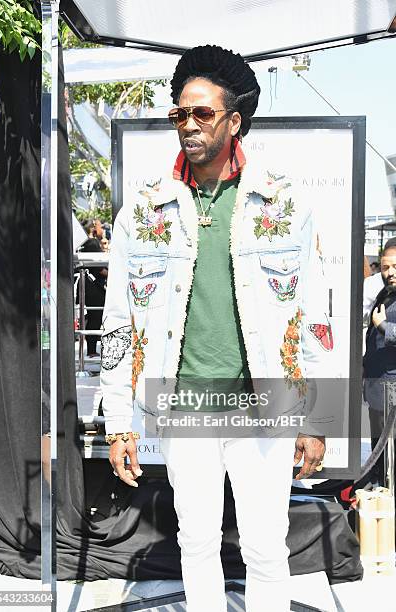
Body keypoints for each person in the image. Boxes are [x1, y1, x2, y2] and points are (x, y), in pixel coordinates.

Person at [100, 45, 328, 612]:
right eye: (180, 114)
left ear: (234, 120)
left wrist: (319, 418)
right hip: (186, 406)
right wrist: (118, 421)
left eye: (202, 113)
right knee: (196, 543)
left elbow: (315, 317)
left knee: (267, 549)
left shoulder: (284, 202)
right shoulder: (143, 212)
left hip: (265, 404)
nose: (189, 125)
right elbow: (118, 322)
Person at [363, 241, 396, 488]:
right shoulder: (384, 293)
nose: (389, 272)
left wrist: (384, 327)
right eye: (385, 267)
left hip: (392, 391)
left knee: (391, 457)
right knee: (379, 453)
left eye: (395, 266)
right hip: (377, 390)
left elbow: (382, 328)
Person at [77, 218, 107, 357]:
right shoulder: (92, 243)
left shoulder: (87, 243)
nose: (102, 228)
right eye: (100, 225)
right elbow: (100, 268)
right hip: (94, 287)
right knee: (95, 318)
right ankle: (92, 350)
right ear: (94, 227)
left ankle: (92, 349)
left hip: (90, 286)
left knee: (94, 317)